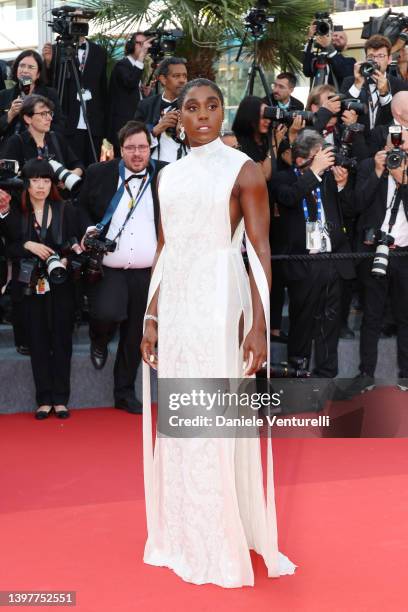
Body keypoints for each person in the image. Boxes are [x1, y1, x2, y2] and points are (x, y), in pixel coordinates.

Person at [140, 78, 296, 587]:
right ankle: (184, 529)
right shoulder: (168, 177)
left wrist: (260, 323)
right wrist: (152, 314)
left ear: (222, 111)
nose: (203, 114)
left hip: (220, 300)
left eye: (212, 106)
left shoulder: (243, 170)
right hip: (180, 305)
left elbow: (259, 250)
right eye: (191, 107)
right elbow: (166, 250)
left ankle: (220, 533)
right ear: (177, 117)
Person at [78, 121, 166, 414]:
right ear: (120, 150)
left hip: (147, 270)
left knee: (135, 334)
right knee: (106, 313)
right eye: (131, 148)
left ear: (150, 148)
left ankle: (124, 392)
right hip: (109, 266)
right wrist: (88, 230)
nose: (138, 153)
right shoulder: (99, 173)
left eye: (143, 147)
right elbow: (79, 208)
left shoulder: (165, 175)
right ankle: (98, 338)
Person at [271, 129, 355, 377]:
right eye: (320, 156)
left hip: (333, 259)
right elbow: (288, 198)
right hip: (304, 262)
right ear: (301, 159)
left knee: (330, 324)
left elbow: (350, 210)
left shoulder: (329, 179)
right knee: (302, 323)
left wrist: (341, 186)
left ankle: (327, 376)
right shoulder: (283, 179)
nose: (326, 161)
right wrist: (315, 172)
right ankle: (298, 376)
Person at [1, 159, 80, 419]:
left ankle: (61, 399)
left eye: (46, 180)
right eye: (35, 180)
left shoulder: (65, 209)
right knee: (38, 340)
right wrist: (27, 245)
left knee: (62, 340)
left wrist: (67, 259)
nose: (41, 186)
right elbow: (7, 248)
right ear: (26, 183)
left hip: (61, 283)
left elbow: (75, 243)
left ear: (52, 184)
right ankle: (43, 399)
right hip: (30, 284)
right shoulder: (16, 212)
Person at [346, 135, 408, 396]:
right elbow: (356, 205)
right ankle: (366, 374)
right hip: (374, 253)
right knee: (371, 317)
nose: (397, 150)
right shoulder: (368, 166)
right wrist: (378, 170)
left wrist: (402, 179)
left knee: (405, 318)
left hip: (404, 255)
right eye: (393, 145)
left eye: (402, 145)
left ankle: (405, 375)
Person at [232, 95, 287, 341]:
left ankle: (272, 326)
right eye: (263, 115)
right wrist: (274, 144)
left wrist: (287, 139)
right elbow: (263, 174)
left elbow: (286, 164)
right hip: (247, 221)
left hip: (275, 217)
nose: (268, 120)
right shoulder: (237, 144)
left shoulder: (268, 141)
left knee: (274, 270)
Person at [42, 33, 108, 166]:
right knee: (71, 166)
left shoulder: (99, 51)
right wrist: (48, 64)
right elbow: (48, 86)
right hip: (68, 121)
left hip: (93, 122)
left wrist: (104, 123)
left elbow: (103, 89)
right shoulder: (56, 50)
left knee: (93, 167)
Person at [3, 95, 84, 183]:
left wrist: (72, 175)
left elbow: (78, 164)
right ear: (28, 118)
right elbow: (7, 176)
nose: (50, 118)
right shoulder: (16, 142)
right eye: (43, 114)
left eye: (50, 113)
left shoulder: (56, 138)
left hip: (57, 196)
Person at [341, 35, 408, 135]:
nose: (375, 60)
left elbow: (398, 119)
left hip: (386, 143)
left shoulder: (400, 85)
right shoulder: (350, 81)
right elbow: (342, 114)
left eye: (381, 56)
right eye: (371, 56)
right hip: (358, 141)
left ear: (389, 59)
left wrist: (384, 94)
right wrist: (357, 85)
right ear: (366, 58)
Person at [0, 50, 64, 153]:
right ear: (16, 70)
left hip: (40, 150)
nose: (25, 70)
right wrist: (10, 115)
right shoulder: (4, 95)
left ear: (38, 74)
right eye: (22, 66)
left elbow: (59, 126)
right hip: (10, 152)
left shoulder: (49, 94)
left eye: (31, 67)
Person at [108, 32, 154, 155]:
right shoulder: (121, 65)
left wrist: (144, 93)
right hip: (123, 124)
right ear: (131, 46)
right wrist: (141, 58)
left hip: (135, 122)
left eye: (146, 43)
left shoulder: (136, 66)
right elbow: (130, 83)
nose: (144, 47)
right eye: (140, 43)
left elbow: (131, 91)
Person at [134, 57, 188, 162]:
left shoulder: (194, 106)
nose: (182, 80)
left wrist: (184, 135)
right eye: (176, 76)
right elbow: (133, 140)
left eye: (185, 76)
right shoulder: (146, 105)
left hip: (186, 168)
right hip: (154, 169)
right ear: (163, 79)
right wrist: (157, 129)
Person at [303, 23, 355, 89]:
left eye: (341, 37)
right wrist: (310, 39)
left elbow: (342, 72)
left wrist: (329, 47)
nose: (337, 38)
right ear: (329, 38)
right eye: (335, 35)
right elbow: (307, 71)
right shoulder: (317, 59)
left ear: (345, 46)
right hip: (316, 98)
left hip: (336, 98)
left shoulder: (350, 61)